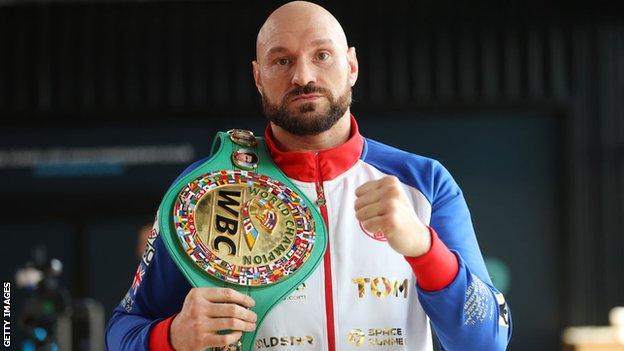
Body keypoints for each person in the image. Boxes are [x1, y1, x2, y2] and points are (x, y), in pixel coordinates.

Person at [105, 1, 512, 350]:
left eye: (322, 55)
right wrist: (172, 336)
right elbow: (123, 330)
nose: (303, 76)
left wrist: (425, 249)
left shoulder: (424, 183)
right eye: (281, 60)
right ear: (257, 76)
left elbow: (487, 339)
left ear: (351, 65)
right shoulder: (208, 187)